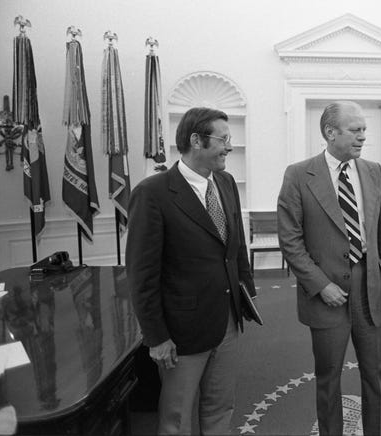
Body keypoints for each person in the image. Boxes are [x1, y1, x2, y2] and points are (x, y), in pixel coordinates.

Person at [126, 107, 256, 435]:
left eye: (230, 139)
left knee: (220, 407)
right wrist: (156, 338)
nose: (229, 146)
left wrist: (246, 297)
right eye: (222, 139)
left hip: (227, 321)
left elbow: (236, 248)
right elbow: (142, 275)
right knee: (177, 419)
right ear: (195, 140)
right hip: (180, 333)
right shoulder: (152, 194)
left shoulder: (225, 183)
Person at [277, 101, 381, 436]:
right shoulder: (299, 174)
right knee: (328, 378)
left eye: (364, 130)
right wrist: (321, 285)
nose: (363, 137)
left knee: (374, 375)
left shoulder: (374, 171)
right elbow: (290, 240)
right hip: (326, 294)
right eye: (355, 130)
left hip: (370, 291)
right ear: (331, 133)